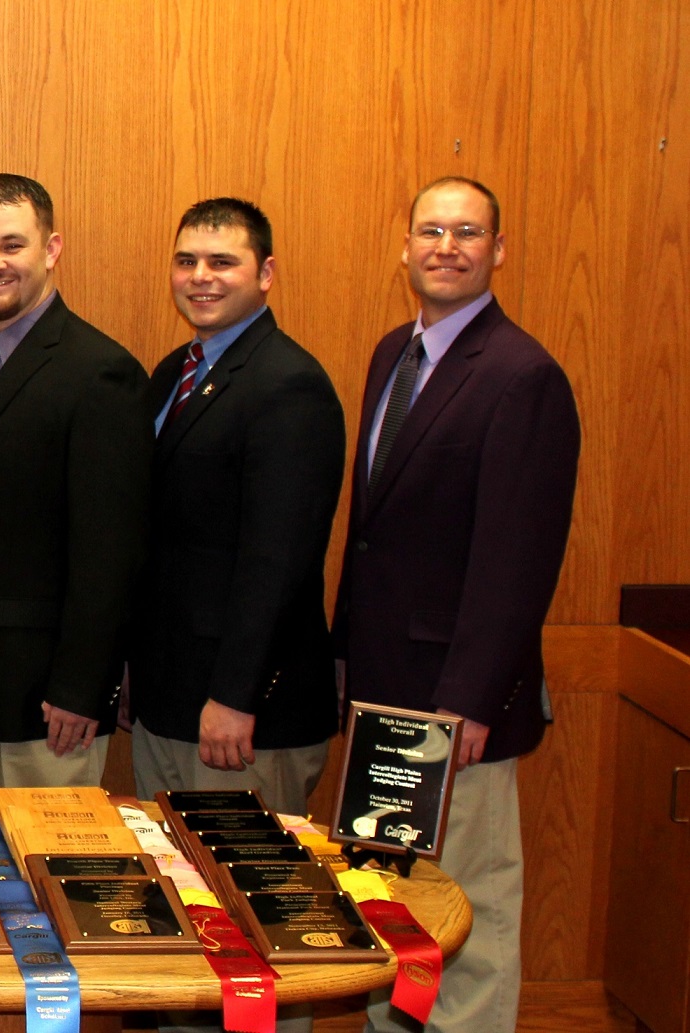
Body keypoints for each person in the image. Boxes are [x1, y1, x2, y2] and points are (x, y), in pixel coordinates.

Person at [337, 176, 579, 1033]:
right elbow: (374, 536)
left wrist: (469, 699)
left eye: (467, 232)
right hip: (383, 696)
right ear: (403, 247)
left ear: (498, 251)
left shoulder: (523, 376)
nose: (446, 246)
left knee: (466, 915)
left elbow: (517, 560)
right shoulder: (389, 355)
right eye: (430, 230)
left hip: (453, 705)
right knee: (393, 910)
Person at [131, 199, 345, 1033]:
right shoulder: (173, 374)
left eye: (223, 261)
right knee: (191, 922)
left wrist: (236, 693)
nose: (201, 276)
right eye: (188, 259)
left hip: (240, 715)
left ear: (266, 273)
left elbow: (278, 561)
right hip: (173, 700)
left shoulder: (288, 384)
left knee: (256, 938)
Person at [0, 174, 150, 795]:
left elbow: (112, 550)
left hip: (47, 707)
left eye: (12, 245)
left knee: (44, 878)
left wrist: (82, 687)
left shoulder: (101, 372)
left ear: (51, 249)